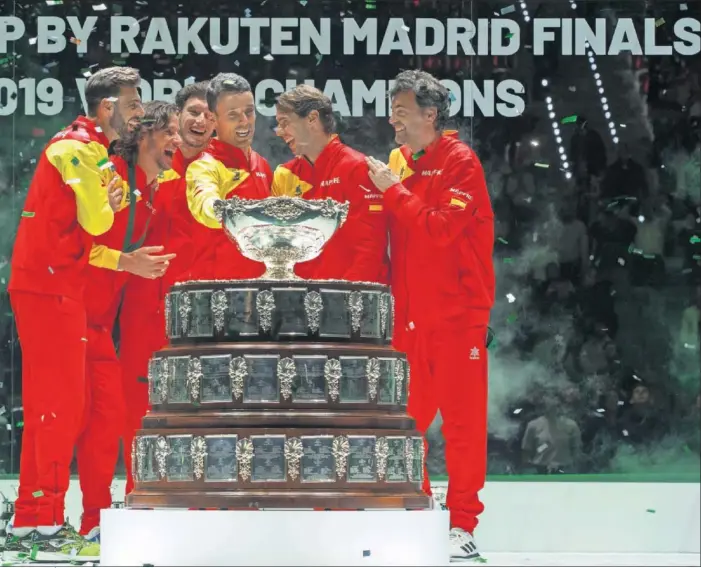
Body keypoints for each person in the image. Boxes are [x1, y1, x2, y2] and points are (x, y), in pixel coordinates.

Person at [5, 66, 142, 561]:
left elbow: (90, 230)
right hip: (47, 287)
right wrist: (107, 200)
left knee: (62, 404)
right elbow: (98, 221)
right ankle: (37, 518)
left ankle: (34, 515)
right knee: (57, 406)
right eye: (132, 103)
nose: (139, 112)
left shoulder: (92, 149)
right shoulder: (76, 148)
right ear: (107, 108)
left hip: (58, 284)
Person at [365, 70, 495, 560]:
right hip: (413, 317)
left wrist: (392, 190)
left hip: (459, 315)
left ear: (430, 115)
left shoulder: (460, 161)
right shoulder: (402, 162)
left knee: (462, 427)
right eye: (392, 112)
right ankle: (417, 512)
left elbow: (441, 229)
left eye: (401, 112)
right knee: (404, 422)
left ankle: (462, 525)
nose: (393, 122)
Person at [76, 101, 181, 543]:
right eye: (170, 131)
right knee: (86, 422)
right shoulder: (114, 178)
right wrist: (126, 262)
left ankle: (99, 519)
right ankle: (64, 519)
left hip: (102, 320)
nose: (179, 139)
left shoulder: (158, 185)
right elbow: (79, 242)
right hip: (76, 314)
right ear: (144, 136)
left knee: (109, 418)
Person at [119, 82, 215, 497]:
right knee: (136, 406)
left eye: (210, 114)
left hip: (203, 317)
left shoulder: (231, 171)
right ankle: (139, 493)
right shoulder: (149, 176)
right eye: (191, 113)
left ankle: (201, 501)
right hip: (146, 310)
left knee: (201, 410)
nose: (199, 121)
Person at [271, 84, 389, 283]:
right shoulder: (285, 174)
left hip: (349, 299)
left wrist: (344, 303)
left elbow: (369, 250)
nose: (279, 132)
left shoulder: (357, 167)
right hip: (302, 301)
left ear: (312, 119)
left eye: (285, 123)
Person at [186, 73, 272, 279]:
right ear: (212, 119)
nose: (245, 122)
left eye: (249, 112)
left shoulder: (262, 164)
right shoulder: (203, 167)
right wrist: (222, 210)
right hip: (217, 292)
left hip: (260, 290)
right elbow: (206, 205)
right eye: (233, 115)